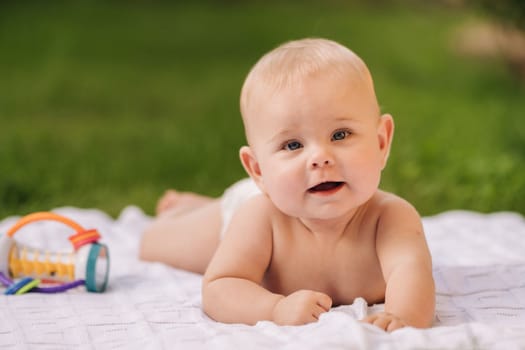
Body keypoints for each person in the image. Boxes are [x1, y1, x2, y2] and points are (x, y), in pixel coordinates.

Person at [140, 38, 435, 332]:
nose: (320, 158)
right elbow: (219, 287)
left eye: (340, 134)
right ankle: (191, 208)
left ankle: (199, 203)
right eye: (293, 144)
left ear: (381, 142)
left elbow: (411, 272)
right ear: (258, 169)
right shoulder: (258, 217)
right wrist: (275, 308)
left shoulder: (391, 218)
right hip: (241, 210)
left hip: (286, 190)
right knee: (152, 244)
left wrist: (402, 316)